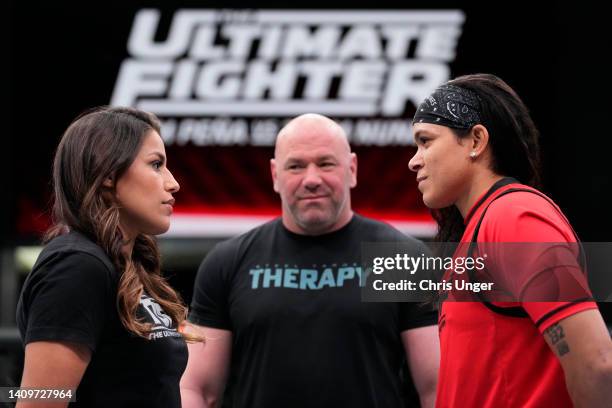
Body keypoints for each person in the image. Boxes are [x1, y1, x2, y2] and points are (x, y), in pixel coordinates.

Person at [181, 113, 439, 408]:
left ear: (352, 169)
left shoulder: (400, 258)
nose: (312, 179)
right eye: (296, 166)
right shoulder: (228, 262)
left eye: (326, 163)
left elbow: (437, 389)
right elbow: (197, 389)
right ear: (275, 175)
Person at [408, 74, 612, 407]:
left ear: (476, 140)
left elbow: (597, 365)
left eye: (425, 141)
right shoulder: (485, 225)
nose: (413, 160)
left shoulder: (515, 218)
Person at [16, 107, 197, 408]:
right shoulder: (77, 266)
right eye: (156, 165)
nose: (172, 182)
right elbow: (39, 402)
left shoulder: (123, 267)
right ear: (108, 174)